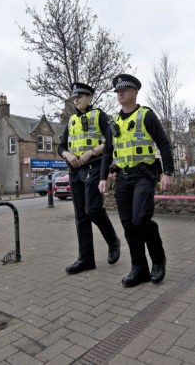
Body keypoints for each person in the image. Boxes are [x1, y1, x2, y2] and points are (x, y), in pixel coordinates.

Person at [99, 74, 174, 287]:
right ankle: (139, 268)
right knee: (128, 225)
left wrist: (167, 172)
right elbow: (107, 152)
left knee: (141, 219)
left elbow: (164, 144)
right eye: (117, 91)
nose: (120, 94)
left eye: (124, 90)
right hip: (122, 178)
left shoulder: (146, 115)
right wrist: (103, 177)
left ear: (135, 92)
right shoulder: (112, 121)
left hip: (144, 174)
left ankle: (158, 260)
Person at [58, 82, 121, 275]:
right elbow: (61, 147)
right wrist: (68, 155)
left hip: (94, 167)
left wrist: (90, 152)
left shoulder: (99, 116)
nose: (76, 99)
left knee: (93, 209)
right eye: (74, 97)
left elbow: (112, 141)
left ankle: (113, 241)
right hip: (75, 171)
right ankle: (86, 259)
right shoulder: (71, 121)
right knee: (81, 216)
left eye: (80, 96)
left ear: (89, 98)